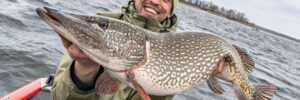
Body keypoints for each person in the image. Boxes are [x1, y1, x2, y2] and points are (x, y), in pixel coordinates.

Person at [50, 0, 224, 99]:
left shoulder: (183, 48)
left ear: (170, 11)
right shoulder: (101, 29)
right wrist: (85, 68)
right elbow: (59, 97)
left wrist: (200, 72)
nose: (155, 1)